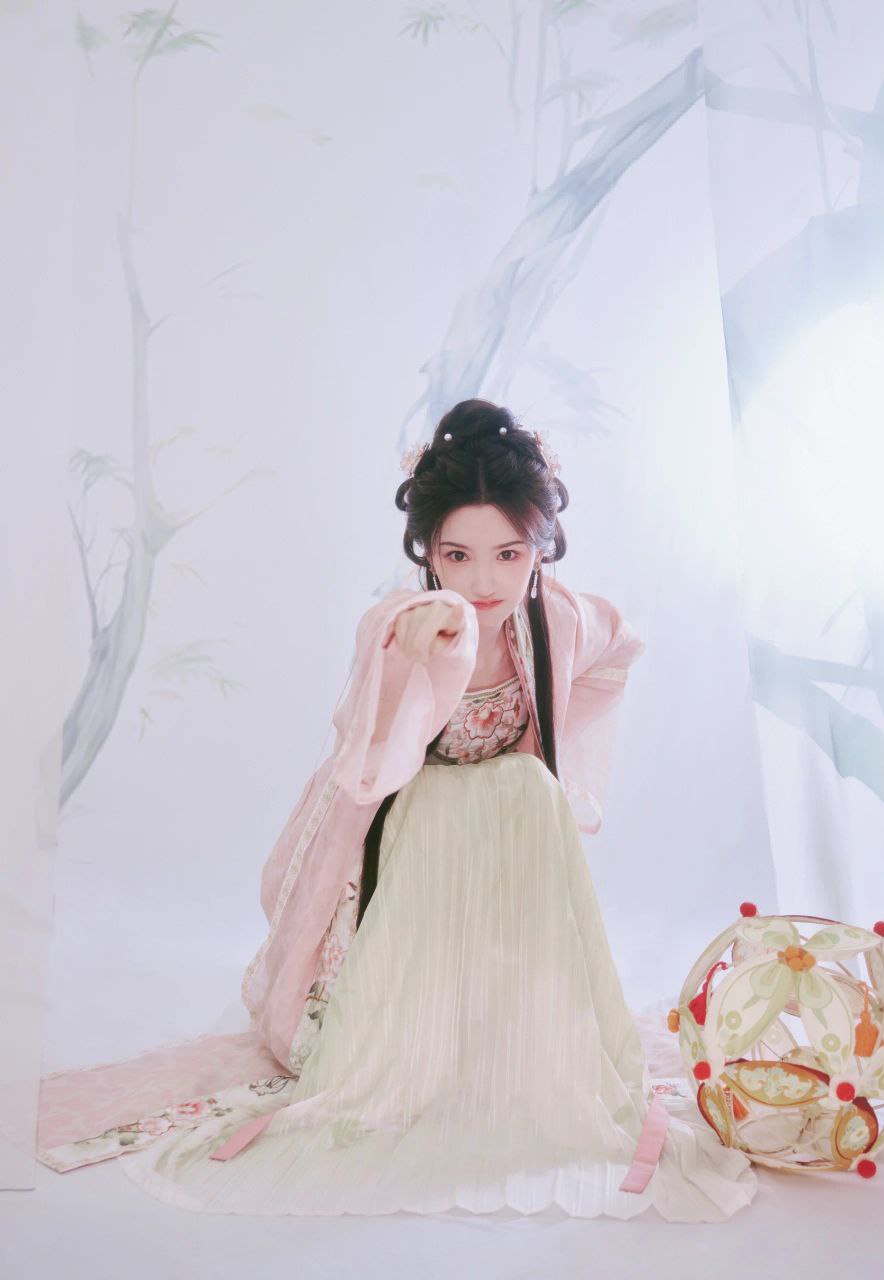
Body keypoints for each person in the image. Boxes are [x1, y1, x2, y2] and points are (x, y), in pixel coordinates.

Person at [57, 399, 759, 1218]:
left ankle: (500, 1022)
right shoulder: (412, 622)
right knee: (449, 817)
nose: (483, 582)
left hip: (505, 825)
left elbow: (618, 650)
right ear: (427, 551)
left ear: (541, 548)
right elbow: (378, 717)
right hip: (411, 826)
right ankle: (416, 1038)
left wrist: (557, 750)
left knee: (533, 791)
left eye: (508, 554)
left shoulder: (558, 617)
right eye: (458, 555)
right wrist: (425, 647)